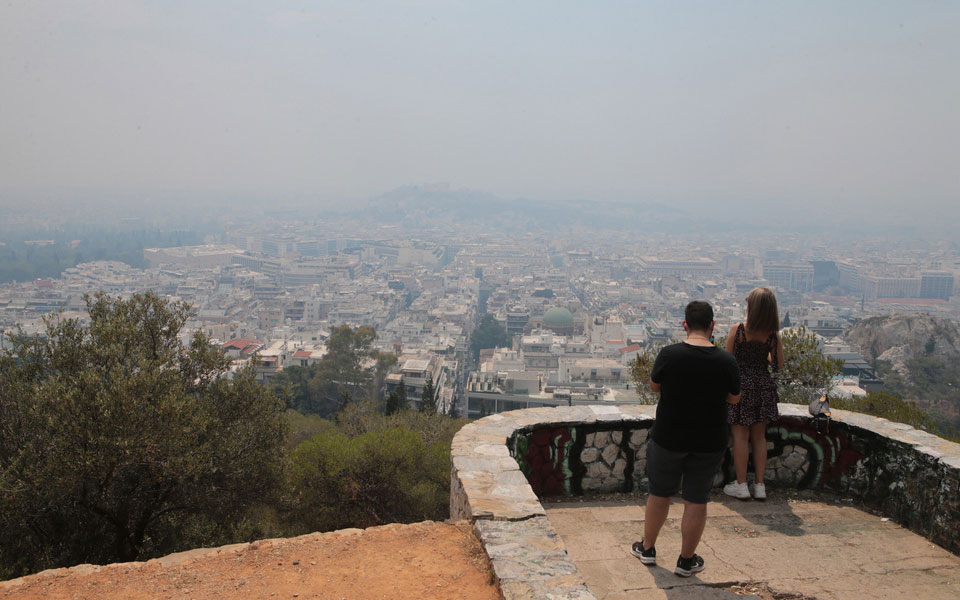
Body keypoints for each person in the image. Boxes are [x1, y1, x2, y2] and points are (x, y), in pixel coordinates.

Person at [631, 301, 741, 577]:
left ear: (684, 324)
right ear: (712, 325)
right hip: (709, 440)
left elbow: (654, 386)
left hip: (668, 436)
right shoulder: (726, 361)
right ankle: (686, 560)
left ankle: (648, 548)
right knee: (696, 500)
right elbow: (734, 398)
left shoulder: (670, 354)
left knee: (659, 493)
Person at [723, 287, 784, 501]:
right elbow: (778, 365)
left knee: (740, 436)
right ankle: (759, 485)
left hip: (741, 387)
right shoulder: (772, 335)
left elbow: (727, 361)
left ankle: (741, 485)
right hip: (763, 387)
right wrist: (762, 357)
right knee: (759, 437)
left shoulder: (738, 330)